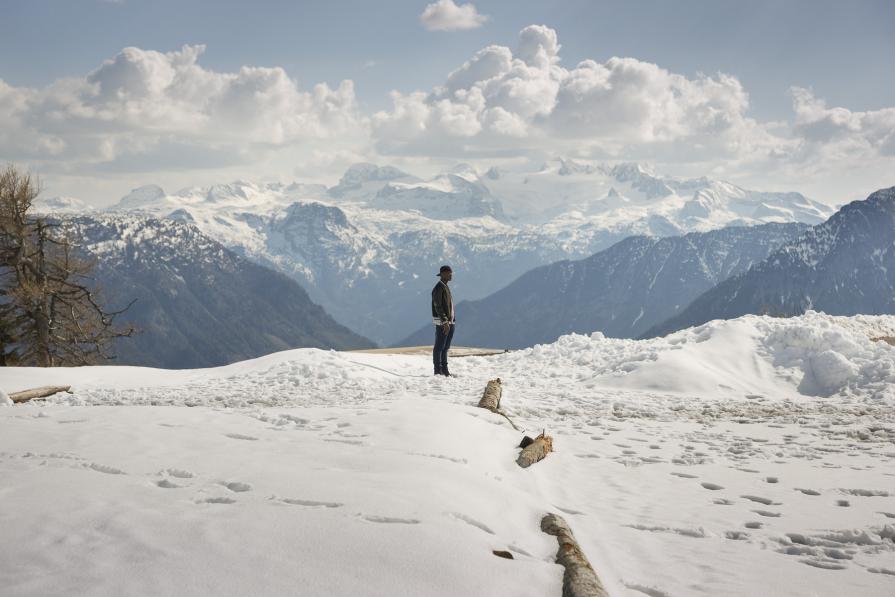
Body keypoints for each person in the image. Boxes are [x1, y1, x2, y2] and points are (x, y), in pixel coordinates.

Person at [432, 265, 455, 376]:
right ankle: (438, 370)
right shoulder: (438, 288)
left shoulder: (445, 286)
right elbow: (438, 306)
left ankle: (444, 370)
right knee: (439, 347)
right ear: (443, 274)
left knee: (445, 347)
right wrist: (445, 321)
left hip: (449, 322)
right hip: (443, 322)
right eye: (449, 273)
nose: (451, 275)